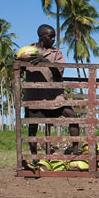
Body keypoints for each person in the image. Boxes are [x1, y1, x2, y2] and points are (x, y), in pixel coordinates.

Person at [23, 24, 79, 157]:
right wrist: (17, 62)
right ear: (41, 36)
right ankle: (34, 155)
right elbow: (19, 69)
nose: (53, 39)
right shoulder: (28, 51)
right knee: (33, 126)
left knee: (72, 115)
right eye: (50, 36)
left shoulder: (56, 53)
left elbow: (59, 72)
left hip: (53, 96)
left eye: (54, 36)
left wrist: (45, 61)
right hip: (34, 96)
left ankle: (76, 149)